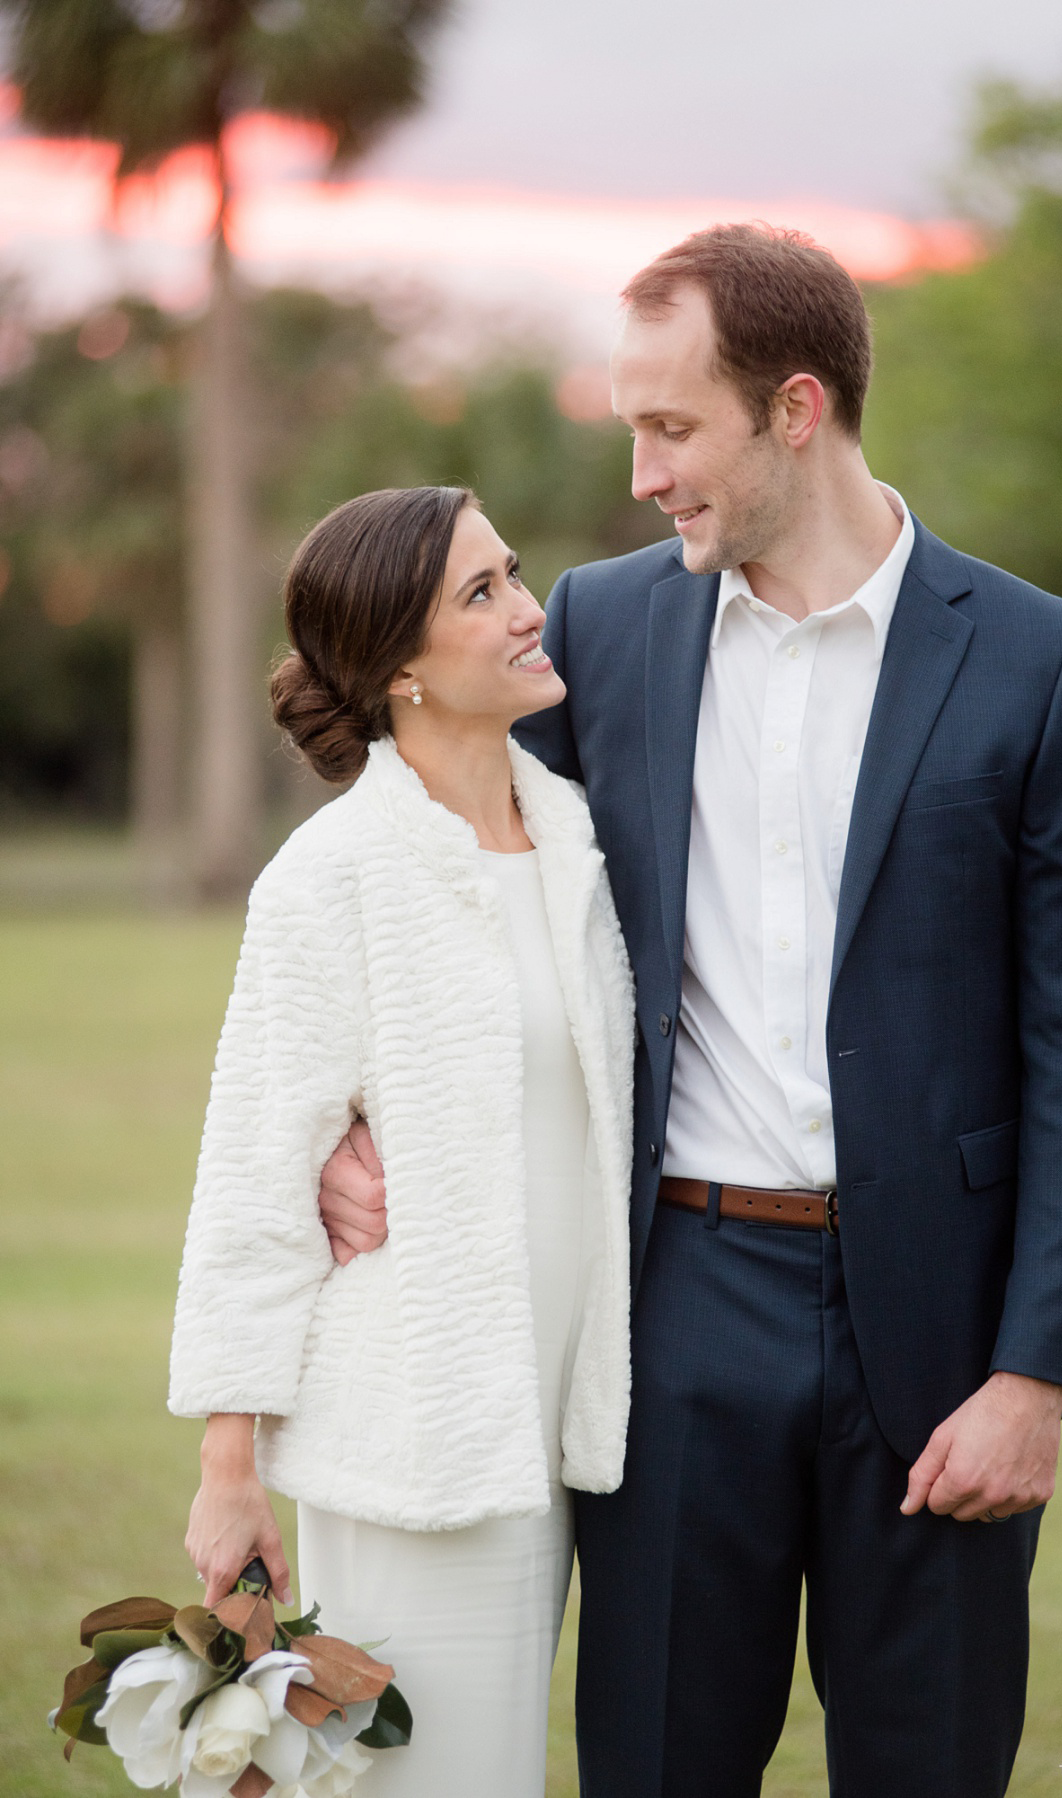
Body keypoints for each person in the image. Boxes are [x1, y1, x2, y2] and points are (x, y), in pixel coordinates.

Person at [316, 225, 1062, 1798]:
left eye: (670, 427)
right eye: (629, 426)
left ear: (796, 408)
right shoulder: (606, 629)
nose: (640, 472)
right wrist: (350, 1112)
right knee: (655, 1763)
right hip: (677, 1308)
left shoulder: (1042, 662)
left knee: (932, 1768)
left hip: (949, 1333)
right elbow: (457, 885)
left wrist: (1036, 1371)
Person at [168, 485, 635, 1798]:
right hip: (417, 1440)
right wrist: (229, 1469)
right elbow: (255, 1180)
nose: (530, 609)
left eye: (514, 573)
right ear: (400, 671)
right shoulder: (333, 876)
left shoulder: (576, 840)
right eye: (479, 594)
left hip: (563, 1433)